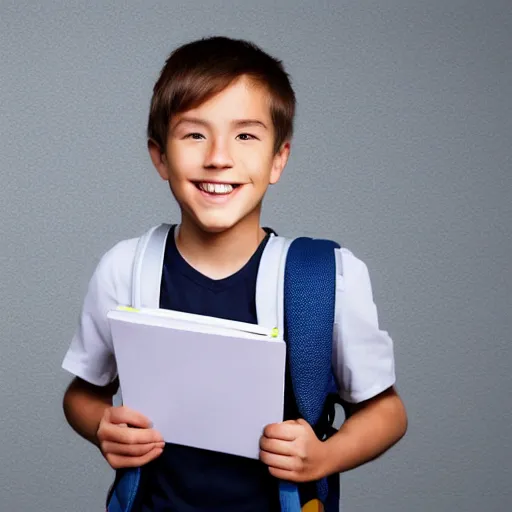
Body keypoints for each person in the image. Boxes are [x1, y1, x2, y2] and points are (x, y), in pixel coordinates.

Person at [62, 36, 407, 512]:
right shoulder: (125, 268)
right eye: (194, 134)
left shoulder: (325, 279)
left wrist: (325, 456)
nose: (218, 157)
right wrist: (103, 426)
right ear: (160, 156)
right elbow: (82, 393)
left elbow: (387, 413)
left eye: (246, 135)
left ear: (278, 159)